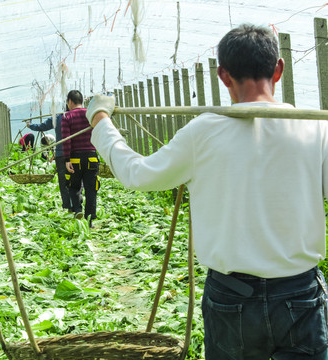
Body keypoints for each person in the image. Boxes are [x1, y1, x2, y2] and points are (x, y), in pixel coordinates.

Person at [87, 24, 328, 359]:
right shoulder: (314, 127)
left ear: (223, 75)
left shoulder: (202, 132)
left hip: (232, 297)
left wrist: (101, 121)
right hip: (299, 295)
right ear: (279, 69)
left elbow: (138, 174)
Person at [62, 90, 99, 225]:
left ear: (70, 101)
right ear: (81, 101)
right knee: (91, 188)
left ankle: (77, 209)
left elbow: (66, 139)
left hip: (75, 158)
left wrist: (67, 160)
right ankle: (90, 220)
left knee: (74, 185)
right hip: (91, 157)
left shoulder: (67, 117)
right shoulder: (91, 114)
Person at [27, 113, 74, 211]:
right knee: (76, 180)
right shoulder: (82, 114)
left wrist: (30, 125)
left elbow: (42, 126)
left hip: (61, 153)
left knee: (63, 181)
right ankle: (77, 206)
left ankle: (67, 206)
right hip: (78, 153)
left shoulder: (58, 118)